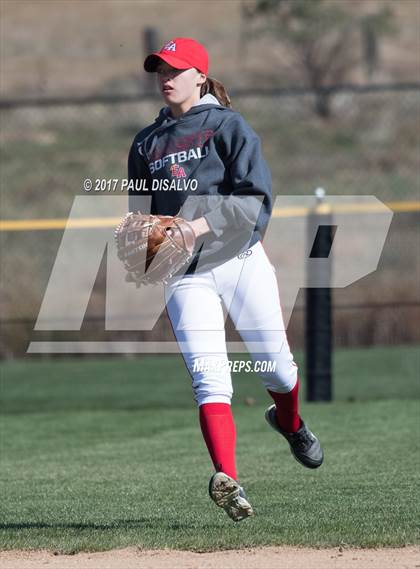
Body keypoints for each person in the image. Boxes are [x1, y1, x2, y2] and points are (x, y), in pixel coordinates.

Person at [128, 37, 323, 522]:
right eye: (160, 70)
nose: (165, 77)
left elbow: (254, 198)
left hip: (240, 261)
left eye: (175, 68)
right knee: (209, 380)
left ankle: (290, 421)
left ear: (199, 75)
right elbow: (144, 215)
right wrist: (146, 245)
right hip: (185, 276)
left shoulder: (227, 126)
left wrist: (195, 225)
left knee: (276, 369)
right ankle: (228, 480)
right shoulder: (145, 143)